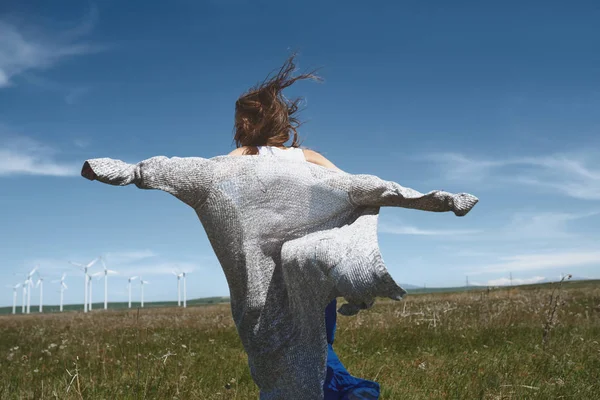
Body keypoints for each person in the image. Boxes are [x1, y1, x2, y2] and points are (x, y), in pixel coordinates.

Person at [228, 54, 381, 399]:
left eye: (239, 121)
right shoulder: (308, 157)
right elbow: (355, 187)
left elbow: (204, 172)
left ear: (249, 123)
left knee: (285, 347)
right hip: (311, 265)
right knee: (316, 342)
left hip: (274, 272)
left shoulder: (244, 157)